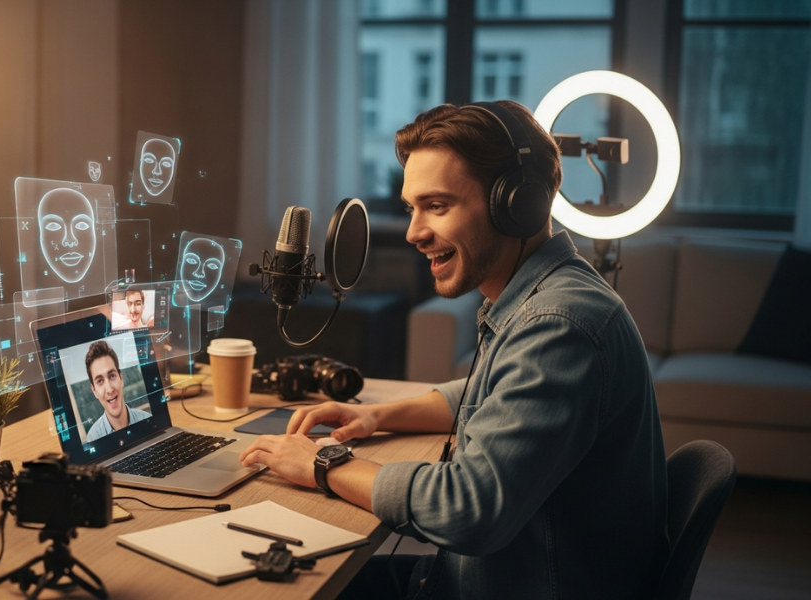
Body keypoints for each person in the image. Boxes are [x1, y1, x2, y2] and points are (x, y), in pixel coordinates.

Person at [239, 101, 669, 599]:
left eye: (438, 206)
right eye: (411, 208)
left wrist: (324, 464)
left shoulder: (558, 325)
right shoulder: (545, 295)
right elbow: (491, 390)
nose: (414, 233)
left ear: (517, 205)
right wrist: (377, 415)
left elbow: (467, 509)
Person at [85, 340, 150, 440]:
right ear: (94, 391)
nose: (110, 389)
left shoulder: (147, 420)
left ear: (121, 378)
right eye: (100, 381)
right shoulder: (93, 437)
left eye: (112, 376)